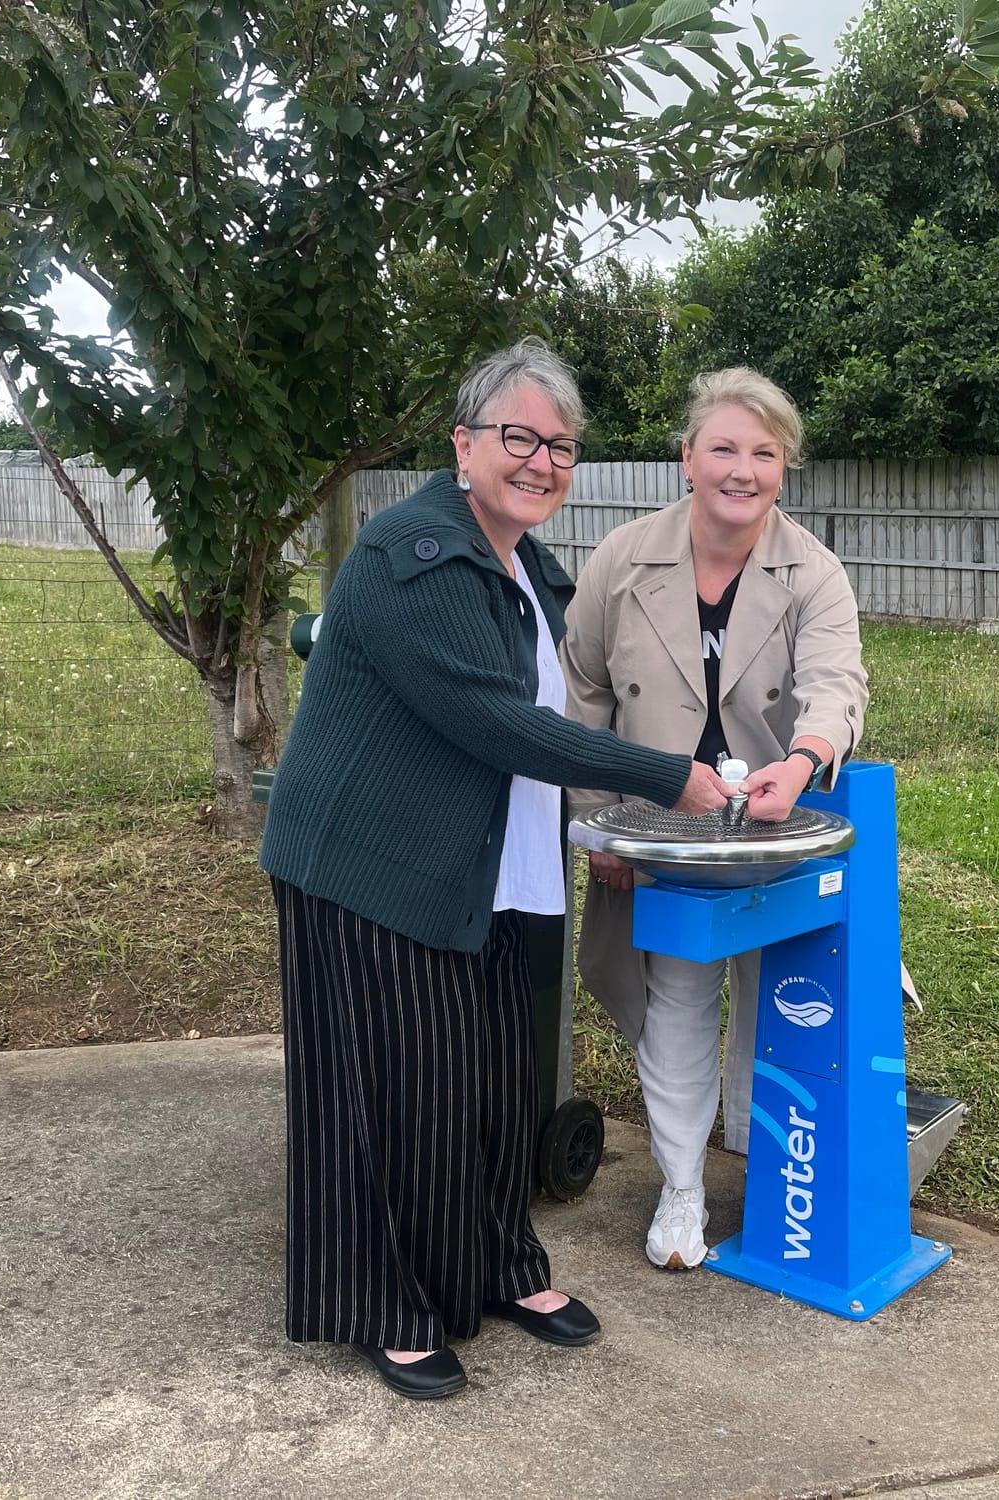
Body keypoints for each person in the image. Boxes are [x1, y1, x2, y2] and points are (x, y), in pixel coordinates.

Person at [258, 338, 733, 1400]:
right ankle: (385, 1306)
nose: (540, 461)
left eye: (559, 446)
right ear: (463, 443)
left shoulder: (525, 566)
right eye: (518, 437)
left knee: (484, 1085)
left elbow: (556, 713)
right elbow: (495, 723)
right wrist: (672, 777)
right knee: (387, 1095)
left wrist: (605, 823)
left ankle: (496, 1268)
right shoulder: (406, 552)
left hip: (487, 869)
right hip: (366, 865)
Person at [564, 367, 868, 1271]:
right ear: (688, 456)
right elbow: (579, 691)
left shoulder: (814, 571)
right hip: (654, 827)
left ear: (785, 469)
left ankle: (765, 1168)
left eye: (764, 453)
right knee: (677, 998)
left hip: (773, 823)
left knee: (776, 996)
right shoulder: (621, 559)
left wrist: (805, 760)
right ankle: (683, 1189)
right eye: (724, 448)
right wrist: (597, 823)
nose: (743, 470)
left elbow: (836, 684)